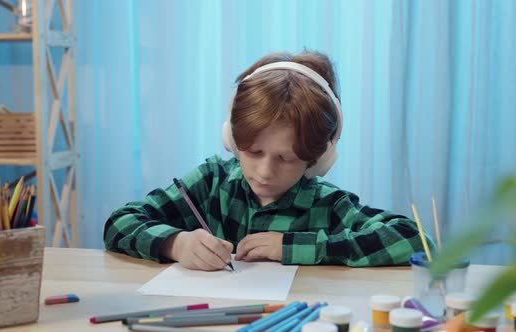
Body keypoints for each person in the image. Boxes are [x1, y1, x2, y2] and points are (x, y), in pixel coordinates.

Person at [104, 50, 434, 271]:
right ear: (233, 140)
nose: (264, 172)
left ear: (317, 159)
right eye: (254, 152)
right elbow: (119, 223)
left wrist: (292, 247)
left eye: (286, 158)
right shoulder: (211, 182)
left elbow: (415, 239)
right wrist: (175, 244)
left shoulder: (327, 205)